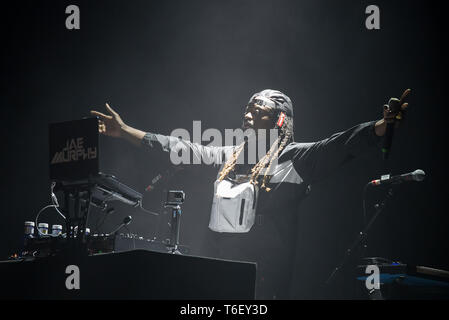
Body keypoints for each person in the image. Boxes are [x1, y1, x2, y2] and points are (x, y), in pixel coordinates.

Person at [91, 88, 410, 299]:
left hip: (263, 287)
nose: (247, 113)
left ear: (280, 119)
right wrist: (127, 132)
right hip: (217, 278)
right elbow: (179, 147)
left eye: (258, 109)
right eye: (247, 108)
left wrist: (381, 125)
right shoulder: (226, 157)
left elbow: (343, 144)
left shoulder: (296, 159)